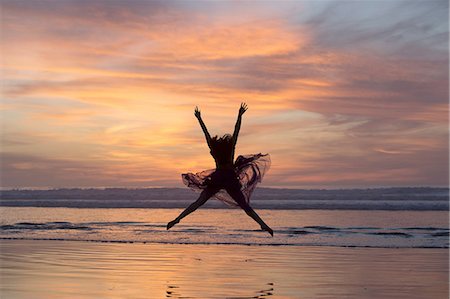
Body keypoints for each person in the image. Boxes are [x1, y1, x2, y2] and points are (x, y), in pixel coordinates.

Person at [167, 103, 273, 236]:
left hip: (218, 178)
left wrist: (199, 119)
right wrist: (240, 115)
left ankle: (176, 220)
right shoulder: (230, 149)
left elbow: (206, 134)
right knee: (245, 206)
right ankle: (263, 225)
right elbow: (236, 131)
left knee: (199, 202)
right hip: (229, 178)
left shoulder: (214, 150)